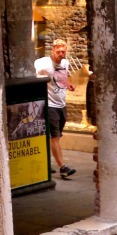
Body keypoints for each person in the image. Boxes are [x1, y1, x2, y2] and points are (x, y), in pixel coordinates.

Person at [34, 38, 76, 179]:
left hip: (61, 104)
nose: (61, 54)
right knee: (55, 137)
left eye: (63, 52)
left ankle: (45, 162)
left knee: (54, 136)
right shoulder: (44, 64)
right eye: (58, 52)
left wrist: (69, 84)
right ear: (53, 50)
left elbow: (65, 76)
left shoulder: (65, 62)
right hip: (50, 105)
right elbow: (33, 72)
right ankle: (62, 167)